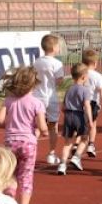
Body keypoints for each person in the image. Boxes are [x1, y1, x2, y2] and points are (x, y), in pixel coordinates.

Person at [0, 65, 46, 204]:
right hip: (28, 143)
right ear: (33, 85)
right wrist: (42, 131)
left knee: (10, 174)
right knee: (26, 177)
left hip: (10, 142)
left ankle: (10, 195)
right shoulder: (37, 103)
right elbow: (42, 126)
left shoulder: (9, 101)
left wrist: (10, 121)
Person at [33, 34, 67, 166]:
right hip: (51, 97)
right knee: (53, 126)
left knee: (36, 126)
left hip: (37, 96)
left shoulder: (36, 62)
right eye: (58, 46)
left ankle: (31, 149)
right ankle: (51, 153)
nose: (59, 48)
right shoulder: (57, 63)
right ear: (53, 48)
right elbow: (59, 80)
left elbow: (33, 77)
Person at [57, 63, 93, 175]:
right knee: (85, 138)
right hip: (79, 115)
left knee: (67, 143)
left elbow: (62, 107)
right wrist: (90, 120)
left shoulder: (69, 89)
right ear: (83, 77)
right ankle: (76, 157)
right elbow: (87, 106)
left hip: (68, 116)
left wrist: (68, 114)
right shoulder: (85, 90)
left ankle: (62, 164)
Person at [81, 49, 102, 159]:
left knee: (81, 124)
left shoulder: (81, 74)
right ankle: (91, 144)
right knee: (93, 124)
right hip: (92, 103)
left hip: (81, 103)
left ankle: (76, 144)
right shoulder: (97, 76)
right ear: (95, 63)